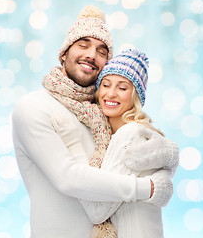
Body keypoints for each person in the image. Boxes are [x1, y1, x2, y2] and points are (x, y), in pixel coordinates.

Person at [12, 5, 177, 238]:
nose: (91, 54)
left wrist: (167, 160)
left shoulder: (102, 112)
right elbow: (67, 178)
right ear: (64, 52)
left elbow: (132, 156)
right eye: (83, 44)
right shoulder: (33, 107)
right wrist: (150, 188)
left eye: (102, 51)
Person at [49, 49, 179, 238]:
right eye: (106, 84)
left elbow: (97, 211)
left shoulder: (129, 134)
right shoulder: (133, 134)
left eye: (122, 88)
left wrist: (72, 141)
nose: (110, 94)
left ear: (135, 96)